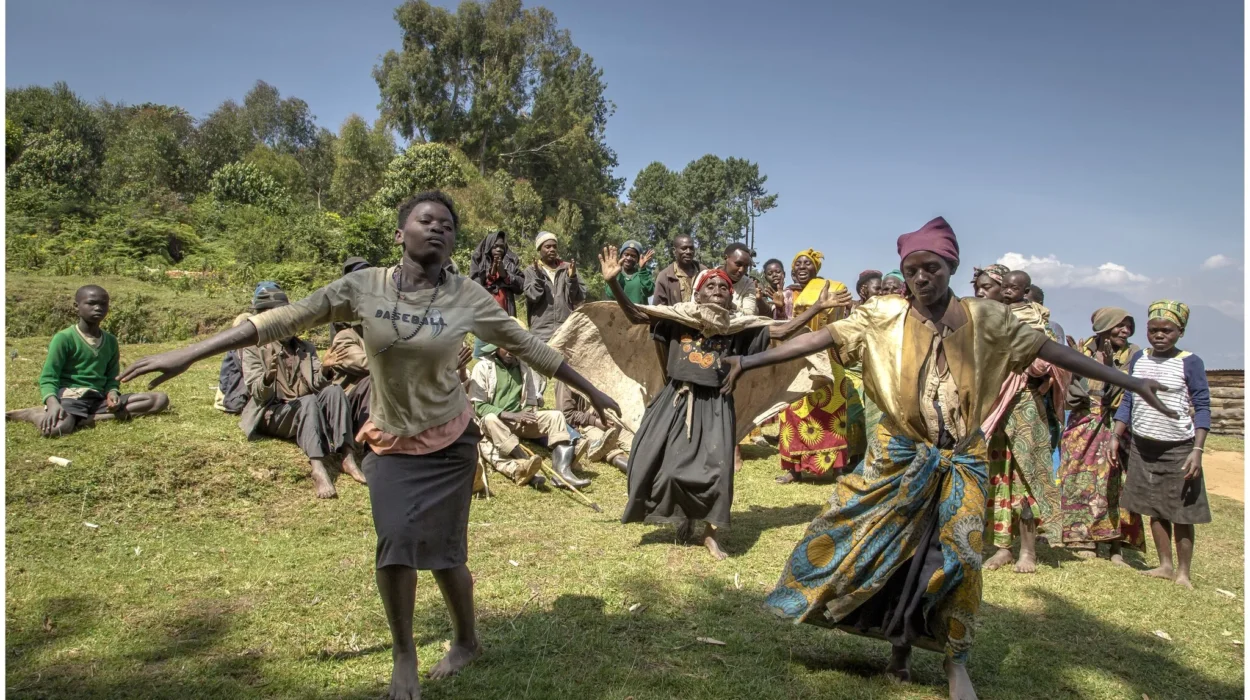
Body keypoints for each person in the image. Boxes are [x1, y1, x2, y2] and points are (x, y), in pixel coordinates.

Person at [117, 190, 621, 700]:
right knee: (396, 543)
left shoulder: (467, 296)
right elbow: (284, 319)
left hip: (450, 442)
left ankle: (466, 640)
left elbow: (530, 346)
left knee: (447, 555)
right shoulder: (365, 287)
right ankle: (405, 654)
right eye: (427, 220)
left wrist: (594, 391)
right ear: (401, 234)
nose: (438, 228)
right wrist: (189, 353)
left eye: (447, 224)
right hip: (391, 441)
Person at [720, 216, 1172, 700]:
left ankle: (957, 664)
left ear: (950, 266)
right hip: (898, 453)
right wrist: (747, 361)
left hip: (962, 456)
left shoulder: (987, 319)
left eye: (930, 267)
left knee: (958, 559)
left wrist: (1130, 382)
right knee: (881, 546)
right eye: (912, 269)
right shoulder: (884, 315)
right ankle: (898, 650)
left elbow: (1051, 351)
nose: (920, 277)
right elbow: (823, 338)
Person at [600, 246, 848, 559]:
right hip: (677, 401)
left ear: (730, 299)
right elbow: (637, 314)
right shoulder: (678, 319)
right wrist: (613, 283)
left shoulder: (738, 329)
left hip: (717, 405)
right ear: (698, 294)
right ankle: (684, 518)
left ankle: (710, 534)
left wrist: (816, 309)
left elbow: (784, 329)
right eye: (710, 286)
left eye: (724, 288)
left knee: (718, 471)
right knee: (664, 465)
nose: (718, 290)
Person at [1114, 301, 1210, 590]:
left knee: (1180, 511)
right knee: (1153, 507)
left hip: (1179, 447)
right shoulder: (1139, 358)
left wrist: (1198, 450)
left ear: (1179, 332)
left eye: (1166, 330)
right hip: (1143, 446)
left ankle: (1183, 573)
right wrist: (1115, 435)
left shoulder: (1190, 362)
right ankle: (1164, 566)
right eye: (1153, 330)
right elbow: (1129, 400)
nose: (1159, 335)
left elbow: (1203, 406)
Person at [238, 284, 365, 499]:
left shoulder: (305, 348)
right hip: (273, 410)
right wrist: (268, 377)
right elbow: (258, 393)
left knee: (334, 391)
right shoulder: (253, 348)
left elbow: (316, 384)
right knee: (307, 403)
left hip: (304, 404)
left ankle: (347, 456)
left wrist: (325, 369)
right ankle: (317, 467)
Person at [981, 269, 1070, 573]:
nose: (1007, 292)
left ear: (1026, 290)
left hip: (1026, 406)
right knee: (998, 476)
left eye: (1014, 288)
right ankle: (1002, 547)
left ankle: (1028, 551)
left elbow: (1048, 362)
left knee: (1026, 475)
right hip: (995, 405)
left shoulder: (1038, 321)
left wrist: (1019, 360)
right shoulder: (990, 317)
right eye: (1004, 287)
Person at [7, 285, 170, 436]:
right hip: (71, 397)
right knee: (57, 429)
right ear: (76, 307)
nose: (98, 308)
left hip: (97, 399)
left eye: (103, 304)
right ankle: (33, 413)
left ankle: (86, 419)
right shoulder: (64, 338)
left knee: (158, 400)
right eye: (91, 303)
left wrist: (112, 394)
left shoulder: (111, 341)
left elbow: (112, 378)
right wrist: (53, 403)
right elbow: (49, 377)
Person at [1058, 308, 1145, 563]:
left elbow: (1128, 391)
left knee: (1114, 481)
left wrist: (1109, 369)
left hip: (1115, 422)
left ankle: (1114, 542)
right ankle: (1082, 537)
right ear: (1104, 327)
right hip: (1083, 421)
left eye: (1129, 326)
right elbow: (1071, 388)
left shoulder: (1134, 354)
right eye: (1120, 326)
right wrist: (1072, 363)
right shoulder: (1083, 348)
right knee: (1077, 477)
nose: (1125, 331)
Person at [774, 249, 865, 484]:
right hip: (796, 357)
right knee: (793, 410)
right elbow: (779, 326)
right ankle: (794, 469)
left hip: (828, 355)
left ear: (816, 269)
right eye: (798, 264)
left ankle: (836, 469)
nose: (802, 267)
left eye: (808, 264)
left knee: (832, 410)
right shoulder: (785, 295)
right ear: (792, 270)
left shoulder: (831, 289)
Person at [469, 343, 589, 489]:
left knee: (556, 416)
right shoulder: (482, 368)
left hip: (519, 422)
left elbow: (530, 401)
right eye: (506, 347)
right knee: (490, 418)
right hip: (495, 424)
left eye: (515, 348)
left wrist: (526, 413)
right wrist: (513, 416)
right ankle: (525, 460)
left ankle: (562, 472)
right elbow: (480, 407)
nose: (511, 352)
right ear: (496, 346)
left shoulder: (524, 367)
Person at [556, 379, 632, 473]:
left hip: (614, 422)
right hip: (586, 425)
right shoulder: (565, 379)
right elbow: (566, 414)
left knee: (638, 441)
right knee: (608, 446)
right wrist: (595, 421)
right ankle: (637, 473)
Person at [524, 231, 586, 342]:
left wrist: (572, 278)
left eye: (554, 246)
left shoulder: (568, 268)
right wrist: (538, 278)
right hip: (541, 333)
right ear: (539, 249)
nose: (552, 249)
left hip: (565, 330)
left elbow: (579, 298)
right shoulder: (531, 270)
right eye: (547, 247)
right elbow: (532, 296)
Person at [469, 231, 523, 317]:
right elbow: (473, 286)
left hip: (506, 314)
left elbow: (521, 286)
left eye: (502, 247)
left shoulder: (511, 261)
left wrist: (506, 275)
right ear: (489, 246)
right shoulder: (479, 261)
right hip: (484, 313)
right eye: (495, 246)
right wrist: (490, 274)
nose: (499, 249)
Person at [653, 233, 706, 306]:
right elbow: (658, 309)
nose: (688, 252)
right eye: (684, 248)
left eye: (691, 248)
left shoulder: (704, 272)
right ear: (674, 251)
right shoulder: (665, 277)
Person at [603, 240, 655, 304]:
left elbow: (649, 292)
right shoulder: (614, 273)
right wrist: (614, 276)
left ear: (638, 259)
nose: (629, 258)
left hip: (639, 313)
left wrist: (642, 269)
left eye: (633, 256)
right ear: (621, 255)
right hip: (618, 313)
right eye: (626, 254)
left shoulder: (643, 273)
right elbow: (611, 295)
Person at [721, 242, 759, 315]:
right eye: (738, 264)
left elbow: (749, 314)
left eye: (746, 266)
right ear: (726, 258)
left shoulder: (748, 284)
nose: (741, 270)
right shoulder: (708, 277)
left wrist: (731, 305)